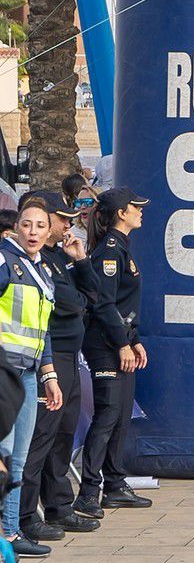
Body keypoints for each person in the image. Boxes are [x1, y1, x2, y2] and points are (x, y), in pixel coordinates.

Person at [17, 193, 95, 545]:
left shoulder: (59, 259)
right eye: (62, 219)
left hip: (67, 355)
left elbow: (91, 297)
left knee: (63, 433)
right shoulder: (37, 262)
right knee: (40, 438)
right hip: (50, 356)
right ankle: (23, 514)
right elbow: (69, 303)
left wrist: (80, 263)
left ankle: (59, 504)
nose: (68, 225)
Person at [76, 188, 151, 518]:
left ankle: (115, 486)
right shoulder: (108, 251)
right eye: (135, 207)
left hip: (119, 341)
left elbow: (122, 305)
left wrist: (133, 339)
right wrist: (121, 343)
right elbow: (103, 304)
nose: (140, 211)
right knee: (107, 415)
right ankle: (88, 493)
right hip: (105, 344)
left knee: (120, 415)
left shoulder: (122, 248)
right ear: (121, 213)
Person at [0, 200, 65, 557]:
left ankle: (10, 535)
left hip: (27, 373)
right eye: (27, 225)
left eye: (41, 226)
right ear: (15, 228)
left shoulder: (41, 269)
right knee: (6, 454)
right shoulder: (4, 260)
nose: (34, 232)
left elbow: (43, 331)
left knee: (20, 458)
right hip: (4, 373)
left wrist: (49, 377)